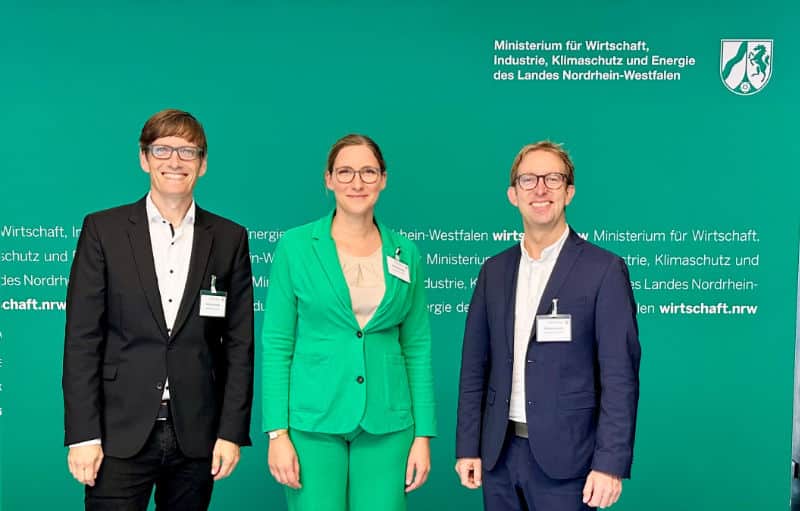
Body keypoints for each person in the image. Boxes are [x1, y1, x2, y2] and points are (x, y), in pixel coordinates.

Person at [62, 109, 254, 510]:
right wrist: (83, 435)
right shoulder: (104, 230)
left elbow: (239, 345)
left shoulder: (229, 238)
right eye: (163, 149)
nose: (175, 161)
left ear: (202, 165)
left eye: (188, 151)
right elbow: (82, 339)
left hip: (196, 434)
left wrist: (231, 432)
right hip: (117, 434)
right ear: (144, 158)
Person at [455, 141, 641, 510]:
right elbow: (475, 368)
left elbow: (620, 376)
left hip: (570, 460)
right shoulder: (494, 271)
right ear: (513, 195)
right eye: (528, 180)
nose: (540, 189)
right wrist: (468, 447)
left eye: (552, 179)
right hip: (498, 456)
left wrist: (610, 464)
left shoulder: (603, 270)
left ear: (569, 192)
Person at [262, 134, 436, 511]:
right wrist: (277, 432)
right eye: (345, 172)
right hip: (312, 422)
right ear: (328, 180)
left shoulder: (406, 252)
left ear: (383, 179)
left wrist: (423, 434)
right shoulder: (294, 247)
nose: (357, 183)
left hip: (388, 422)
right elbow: (277, 343)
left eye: (368, 172)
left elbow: (417, 347)